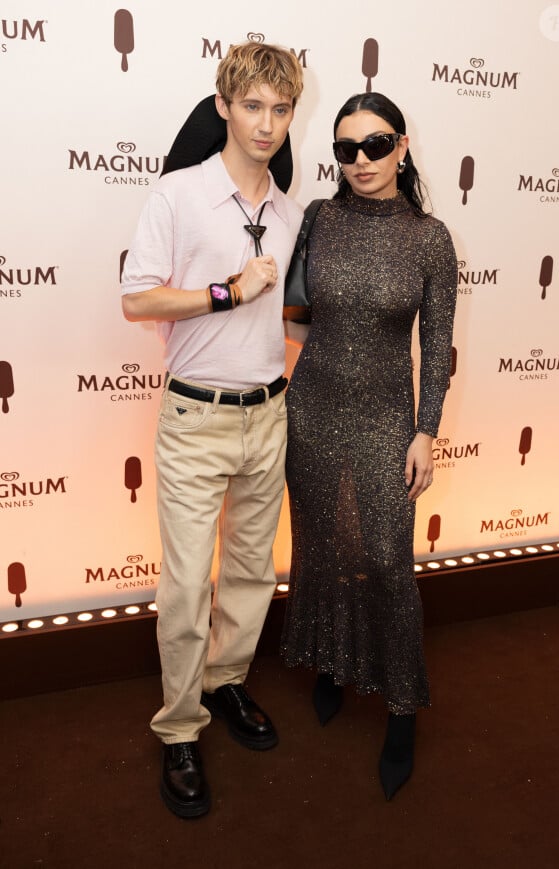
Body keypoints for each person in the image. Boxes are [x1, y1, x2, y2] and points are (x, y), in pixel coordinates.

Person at [121, 41, 304, 819]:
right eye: (253, 105)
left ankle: (226, 685)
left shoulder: (292, 211)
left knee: (252, 576)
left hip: (269, 413)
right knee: (187, 588)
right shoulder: (177, 195)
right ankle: (179, 727)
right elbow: (137, 300)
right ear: (224, 106)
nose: (266, 124)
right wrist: (226, 292)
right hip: (194, 415)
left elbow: (290, 313)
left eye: (281, 109)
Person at [280, 92, 457, 801]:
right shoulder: (318, 220)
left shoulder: (430, 238)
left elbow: (437, 343)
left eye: (376, 145)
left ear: (403, 146)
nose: (361, 162)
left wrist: (426, 429)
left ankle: (402, 708)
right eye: (346, 149)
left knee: (386, 557)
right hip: (311, 406)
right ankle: (330, 663)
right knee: (321, 543)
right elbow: (294, 309)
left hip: (389, 413)